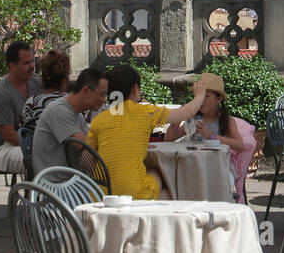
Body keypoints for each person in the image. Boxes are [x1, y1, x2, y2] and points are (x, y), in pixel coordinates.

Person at [86, 66, 205, 200]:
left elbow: (88, 159)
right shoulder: (144, 112)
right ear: (135, 88)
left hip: (98, 194)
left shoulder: (99, 119)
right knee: (158, 175)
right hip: (133, 193)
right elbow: (186, 112)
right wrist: (200, 95)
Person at [164, 72, 250, 199]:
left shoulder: (226, 121)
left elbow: (240, 145)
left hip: (217, 167)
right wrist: (177, 119)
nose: (201, 101)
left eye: (206, 97)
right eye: (198, 97)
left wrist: (212, 136)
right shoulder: (194, 119)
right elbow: (169, 138)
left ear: (218, 99)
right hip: (193, 165)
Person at [31, 68, 107, 174]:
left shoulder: (77, 113)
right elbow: (86, 146)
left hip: (72, 181)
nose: (104, 100)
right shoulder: (59, 111)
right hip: (57, 185)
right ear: (86, 91)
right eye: (102, 94)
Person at [0, 41, 42, 176]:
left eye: (32, 61)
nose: (32, 66)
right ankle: (32, 195)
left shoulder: (37, 84)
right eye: (26, 63)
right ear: (12, 66)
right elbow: (9, 135)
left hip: (34, 143)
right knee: (36, 159)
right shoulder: (1, 93)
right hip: (3, 148)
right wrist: (42, 144)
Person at [21, 49, 71, 130]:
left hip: (37, 142)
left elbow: (26, 132)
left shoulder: (32, 103)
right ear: (63, 81)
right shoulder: (72, 102)